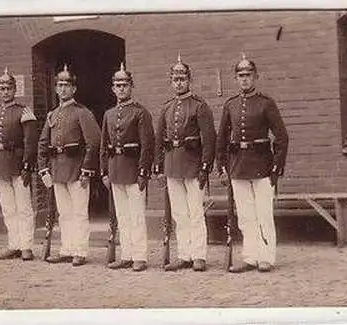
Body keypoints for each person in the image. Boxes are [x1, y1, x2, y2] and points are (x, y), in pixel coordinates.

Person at [216, 54, 289, 273]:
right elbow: (222, 138)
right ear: (236, 78)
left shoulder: (266, 103)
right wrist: (222, 166)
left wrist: (276, 167)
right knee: (246, 216)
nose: (244, 79)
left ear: (255, 77)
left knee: (263, 214)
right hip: (238, 167)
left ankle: (266, 257)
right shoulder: (231, 105)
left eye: (248, 75)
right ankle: (250, 257)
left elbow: (282, 137)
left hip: (262, 166)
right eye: (240, 75)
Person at [154, 54, 216, 272]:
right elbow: (159, 140)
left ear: (190, 80)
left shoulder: (199, 106)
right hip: (172, 165)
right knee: (179, 213)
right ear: (171, 81)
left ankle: (199, 255)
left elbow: (209, 139)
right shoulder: (167, 108)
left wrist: (205, 167)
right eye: (175, 79)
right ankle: (184, 254)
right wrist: (160, 168)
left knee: (195, 212)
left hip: (193, 165)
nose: (178, 83)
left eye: (182, 78)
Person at [37, 64, 101, 267]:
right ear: (55, 88)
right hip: (57, 170)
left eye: (67, 85)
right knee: (64, 213)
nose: (63, 89)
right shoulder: (52, 115)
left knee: (79, 212)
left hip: (77, 169)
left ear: (74, 89)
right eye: (60, 85)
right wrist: (43, 168)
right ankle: (67, 248)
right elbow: (42, 143)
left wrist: (86, 170)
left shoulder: (82, 113)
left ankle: (80, 251)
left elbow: (94, 142)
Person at [100, 63, 155, 272]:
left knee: (136, 215)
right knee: (122, 216)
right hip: (115, 170)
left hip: (133, 170)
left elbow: (147, 145)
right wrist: (104, 171)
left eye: (125, 84)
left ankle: (139, 256)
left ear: (132, 86)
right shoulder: (109, 114)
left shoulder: (140, 113)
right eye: (117, 85)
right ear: (112, 88)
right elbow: (104, 146)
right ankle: (127, 255)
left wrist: (143, 172)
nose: (121, 88)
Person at [0, 67, 38, 261]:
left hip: (18, 163)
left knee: (23, 207)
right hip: (0, 165)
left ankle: (26, 246)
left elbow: (30, 142)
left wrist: (27, 165)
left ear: (15, 90)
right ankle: (14, 244)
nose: (5, 92)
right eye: (1, 88)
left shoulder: (23, 111)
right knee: (8, 208)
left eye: (8, 88)